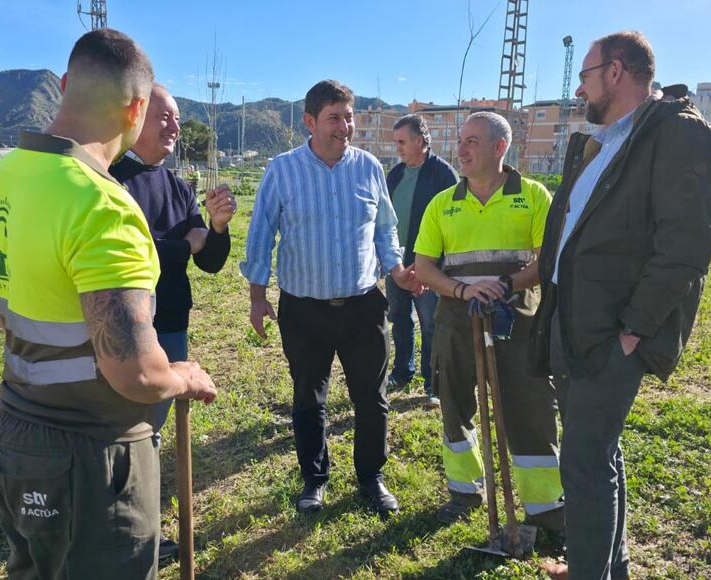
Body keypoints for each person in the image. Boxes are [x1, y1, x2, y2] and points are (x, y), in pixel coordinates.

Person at [0, 29, 217, 579]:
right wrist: (183, 377)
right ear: (137, 107)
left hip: (13, 433)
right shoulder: (103, 208)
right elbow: (135, 374)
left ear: (63, 86)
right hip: (90, 457)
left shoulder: (2, 175)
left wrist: (38, 337)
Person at [529, 31, 711, 579]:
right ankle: (604, 567)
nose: (581, 87)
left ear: (616, 72)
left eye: (586, 75)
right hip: (574, 320)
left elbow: (688, 245)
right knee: (597, 457)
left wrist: (633, 331)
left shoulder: (677, 135)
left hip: (612, 332)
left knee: (585, 462)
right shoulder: (609, 139)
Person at [240, 79, 420, 519]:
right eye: (335, 117)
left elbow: (385, 228)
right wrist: (257, 296)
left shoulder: (368, 167)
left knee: (372, 398)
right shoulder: (282, 170)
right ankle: (314, 479)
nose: (346, 126)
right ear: (310, 121)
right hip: (304, 310)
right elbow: (261, 233)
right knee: (308, 397)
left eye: (349, 116)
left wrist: (396, 268)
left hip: (363, 305)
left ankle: (371, 477)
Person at [413, 112, 564, 529]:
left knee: (530, 408)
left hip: (517, 319)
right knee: (455, 407)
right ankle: (464, 492)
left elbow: (545, 260)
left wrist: (504, 284)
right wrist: (463, 290)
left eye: (473, 141)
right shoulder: (443, 204)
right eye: (460, 141)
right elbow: (423, 267)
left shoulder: (533, 196)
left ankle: (546, 507)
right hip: (456, 319)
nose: (460, 149)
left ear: (501, 147)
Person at [109, 83, 234, 565]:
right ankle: (124, 527)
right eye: (165, 118)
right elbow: (137, 257)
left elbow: (209, 262)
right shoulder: (110, 180)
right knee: (124, 428)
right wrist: (188, 243)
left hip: (171, 324)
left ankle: (143, 526)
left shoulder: (178, 186)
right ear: (136, 116)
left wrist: (217, 229)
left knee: (153, 429)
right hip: (122, 324)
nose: (175, 128)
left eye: (179, 120)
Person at [385, 114, 458, 408]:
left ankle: (433, 382)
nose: (398, 148)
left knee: (431, 324)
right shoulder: (395, 174)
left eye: (402, 142)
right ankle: (403, 371)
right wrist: (396, 263)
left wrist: (426, 265)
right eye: (396, 143)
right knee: (399, 318)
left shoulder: (443, 174)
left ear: (420, 140)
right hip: (397, 265)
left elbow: (453, 224)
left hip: (430, 266)